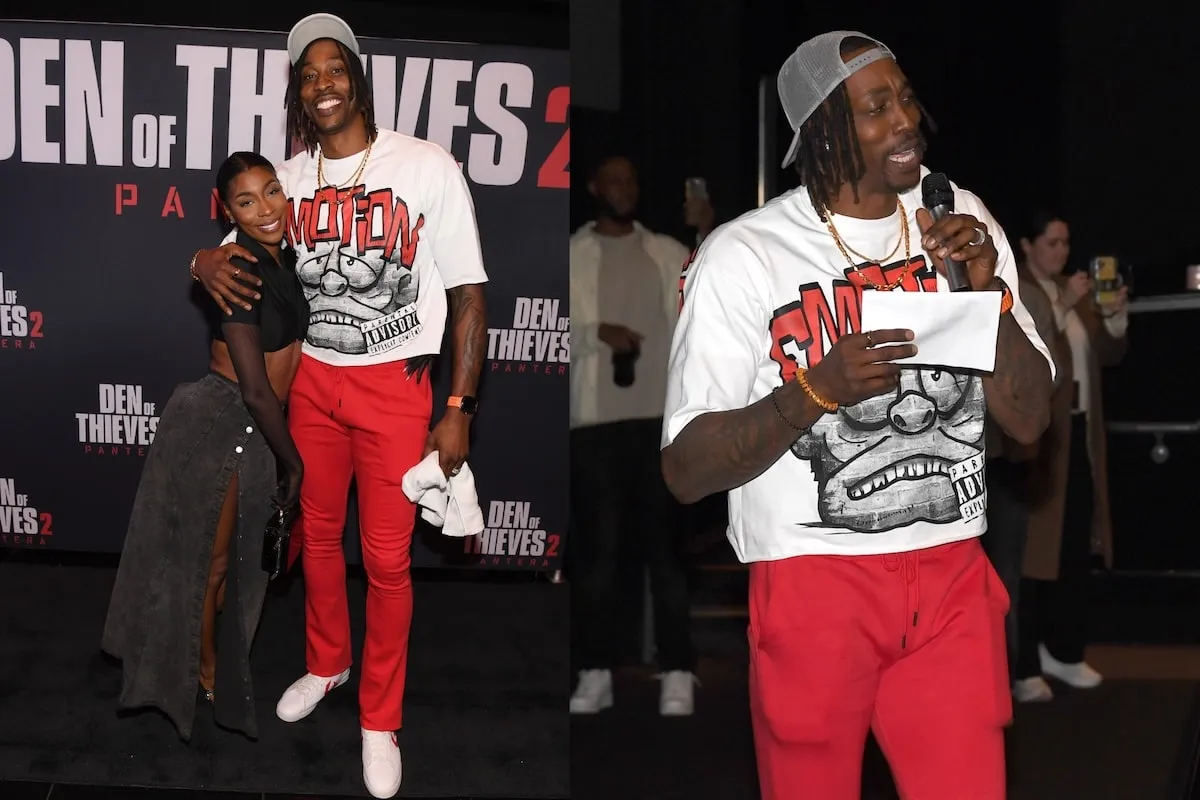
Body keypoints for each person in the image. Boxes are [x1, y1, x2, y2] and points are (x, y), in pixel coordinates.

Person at [660, 31, 1055, 800]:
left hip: (951, 576)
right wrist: (814, 391)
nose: (906, 120)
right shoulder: (745, 255)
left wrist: (988, 296)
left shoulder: (959, 216)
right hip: (813, 582)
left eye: (905, 98)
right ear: (821, 132)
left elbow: (1032, 418)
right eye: (877, 107)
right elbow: (684, 470)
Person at [190, 13, 488, 799]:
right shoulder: (286, 178)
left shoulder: (425, 165)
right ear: (299, 93)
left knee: (387, 561)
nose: (323, 84)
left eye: (334, 69)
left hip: (395, 386)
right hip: (314, 384)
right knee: (317, 535)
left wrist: (459, 404)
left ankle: (379, 718)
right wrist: (199, 257)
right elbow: (231, 247)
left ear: (357, 79)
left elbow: (469, 294)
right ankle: (328, 663)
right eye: (308, 74)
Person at [102, 152, 309, 743]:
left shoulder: (284, 257)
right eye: (247, 201)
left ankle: (205, 655)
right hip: (224, 420)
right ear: (228, 213)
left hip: (256, 426)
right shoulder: (237, 268)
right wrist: (294, 463)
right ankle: (205, 669)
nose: (266, 208)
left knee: (231, 564)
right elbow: (256, 390)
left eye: (272, 191)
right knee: (210, 566)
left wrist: (199, 258)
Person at [568, 155, 697, 716]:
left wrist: (704, 229)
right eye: (613, 179)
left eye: (631, 179)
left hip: (659, 427)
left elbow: (710, 300)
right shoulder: (571, 254)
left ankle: (678, 671)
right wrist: (597, 332)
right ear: (594, 186)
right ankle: (594, 672)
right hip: (593, 427)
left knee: (665, 554)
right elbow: (545, 330)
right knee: (597, 558)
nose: (623, 187)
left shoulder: (666, 252)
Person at [1012, 209, 1128, 703]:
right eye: (1052, 243)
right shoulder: (1015, 288)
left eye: (1065, 243)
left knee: (1073, 547)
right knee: (1032, 555)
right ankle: (1024, 662)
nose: (1062, 252)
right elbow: (1028, 350)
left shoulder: (1068, 289)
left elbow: (1106, 355)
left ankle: (1064, 650)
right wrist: (1063, 303)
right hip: (1037, 439)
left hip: (1076, 431)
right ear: (1026, 244)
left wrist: (1114, 314)